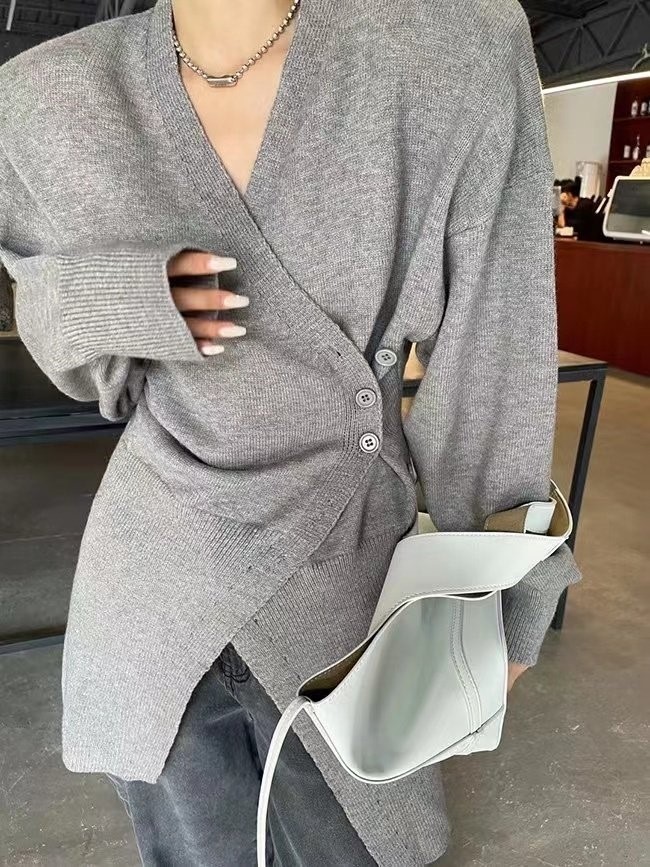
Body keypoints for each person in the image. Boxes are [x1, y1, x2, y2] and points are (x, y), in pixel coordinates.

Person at [0, 0, 581, 863]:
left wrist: (506, 591)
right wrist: (124, 297)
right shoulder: (47, 96)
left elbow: (495, 348)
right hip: (152, 592)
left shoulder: (451, 50)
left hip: (346, 585)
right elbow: (81, 361)